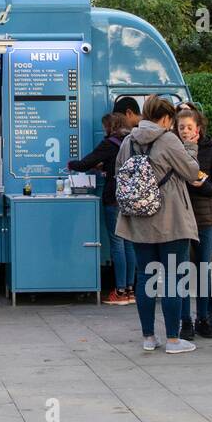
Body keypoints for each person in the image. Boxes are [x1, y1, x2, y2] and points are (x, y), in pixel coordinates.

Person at [114, 95, 203, 354]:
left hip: (139, 221)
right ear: (166, 118)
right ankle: (174, 340)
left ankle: (148, 337)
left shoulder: (128, 141)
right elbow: (191, 172)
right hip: (170, 221)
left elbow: (120, 172)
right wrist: (191, 147)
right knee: (174, 278)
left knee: (145, 277)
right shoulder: (168, 140)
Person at [68, 113, 135, 306]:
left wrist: (71, 164)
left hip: (114, 198)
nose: (104, 130)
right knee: (129, 244)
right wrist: (104, 166)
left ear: (111, 127)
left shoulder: (110, 143)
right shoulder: (132, 142)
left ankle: (120, 292)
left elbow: (85, 163)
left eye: (105, 126)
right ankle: (130, 290)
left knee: (117, 244)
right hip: (131, 197)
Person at [176, 107, 212, 340]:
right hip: (181, 217)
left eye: (189, 127)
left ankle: (203, 318)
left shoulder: (211, 151)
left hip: (205, 218)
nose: (185, 131)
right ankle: (185, 321)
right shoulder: (173, 150)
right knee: (184, 271)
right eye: (181, 127)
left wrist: (203, 186)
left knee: (203, 270)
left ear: (198, 128)